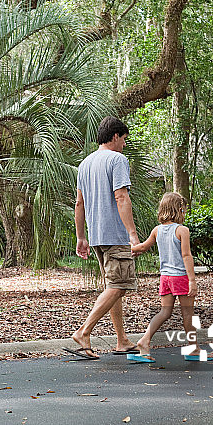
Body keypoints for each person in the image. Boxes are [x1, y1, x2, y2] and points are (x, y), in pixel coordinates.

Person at [68, 116, 140, 359]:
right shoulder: (117, 160)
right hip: (115, 234)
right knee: (120, 285)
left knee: (113, 285)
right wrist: (132, 234)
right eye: (124, 139)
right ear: (115, 136)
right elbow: (121, 197)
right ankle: (84, 331)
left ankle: (121, 340)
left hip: (97, 236)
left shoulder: (85, 164)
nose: (124, 145)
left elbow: (80, 203)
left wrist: (81, 236)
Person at [129, 192, 213, 362]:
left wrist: (129, 249)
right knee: (188, 314)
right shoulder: (182, 230)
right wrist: (192, 281)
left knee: (164, 312)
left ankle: (144, 341)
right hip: (180, 277)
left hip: (165, 278)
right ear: (179, 210)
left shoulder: (157, 230)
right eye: (184, 210)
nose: (185, 214)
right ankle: (194, 349)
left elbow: (143, 247)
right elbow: (186, 256)